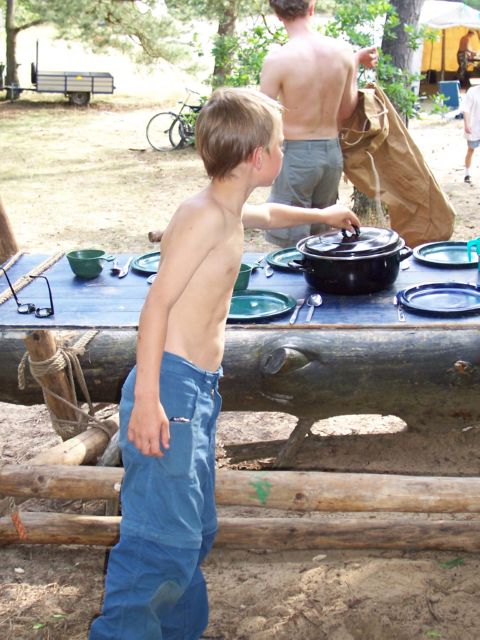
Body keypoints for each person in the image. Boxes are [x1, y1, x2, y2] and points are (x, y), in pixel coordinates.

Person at [89, 87, 360, 640]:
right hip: (168, 391)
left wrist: (323, 213)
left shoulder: (226, 206)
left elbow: (269, 212)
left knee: (194, 531)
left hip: (194, 390)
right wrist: (148, 401)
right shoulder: (202, 216)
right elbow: (156, 306)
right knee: (160, 543)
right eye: (280, 144)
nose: (284, 151)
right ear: (258, 157)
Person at [260, 0, 377, 247]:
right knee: (322, 237)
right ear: (311, 8)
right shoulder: (343, 52)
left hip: (296, 155)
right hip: (331, 154)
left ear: (278, 15)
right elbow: (346, 111)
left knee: (291, 237)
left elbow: (262, 116)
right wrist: (355, 61)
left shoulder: (278, 59)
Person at [462, 83, 480, 184]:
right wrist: (467, 124)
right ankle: (467, 173)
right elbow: (466, 109)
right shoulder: (472, 91)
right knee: (471, 150)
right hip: (474, 127)